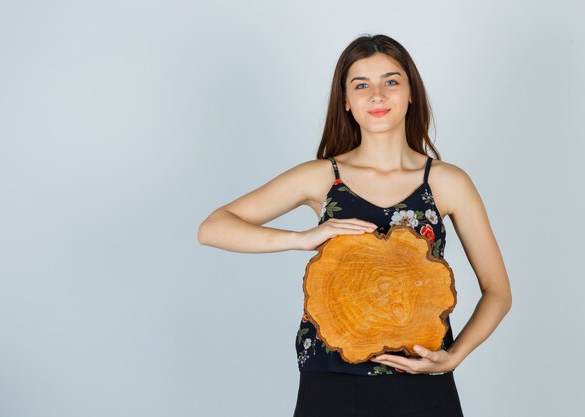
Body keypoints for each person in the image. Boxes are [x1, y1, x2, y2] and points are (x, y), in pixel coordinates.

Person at [198, 34, 512, 417]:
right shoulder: (321, 176)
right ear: (346, 101)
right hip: (331, 381)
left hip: (422, 382)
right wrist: (301, 238)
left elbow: (497, 291)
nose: (377, 95)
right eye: (361, 85)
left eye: (391, 81)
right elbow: (213, 227)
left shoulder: (447, 181)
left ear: (411, 93)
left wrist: (453, 356)